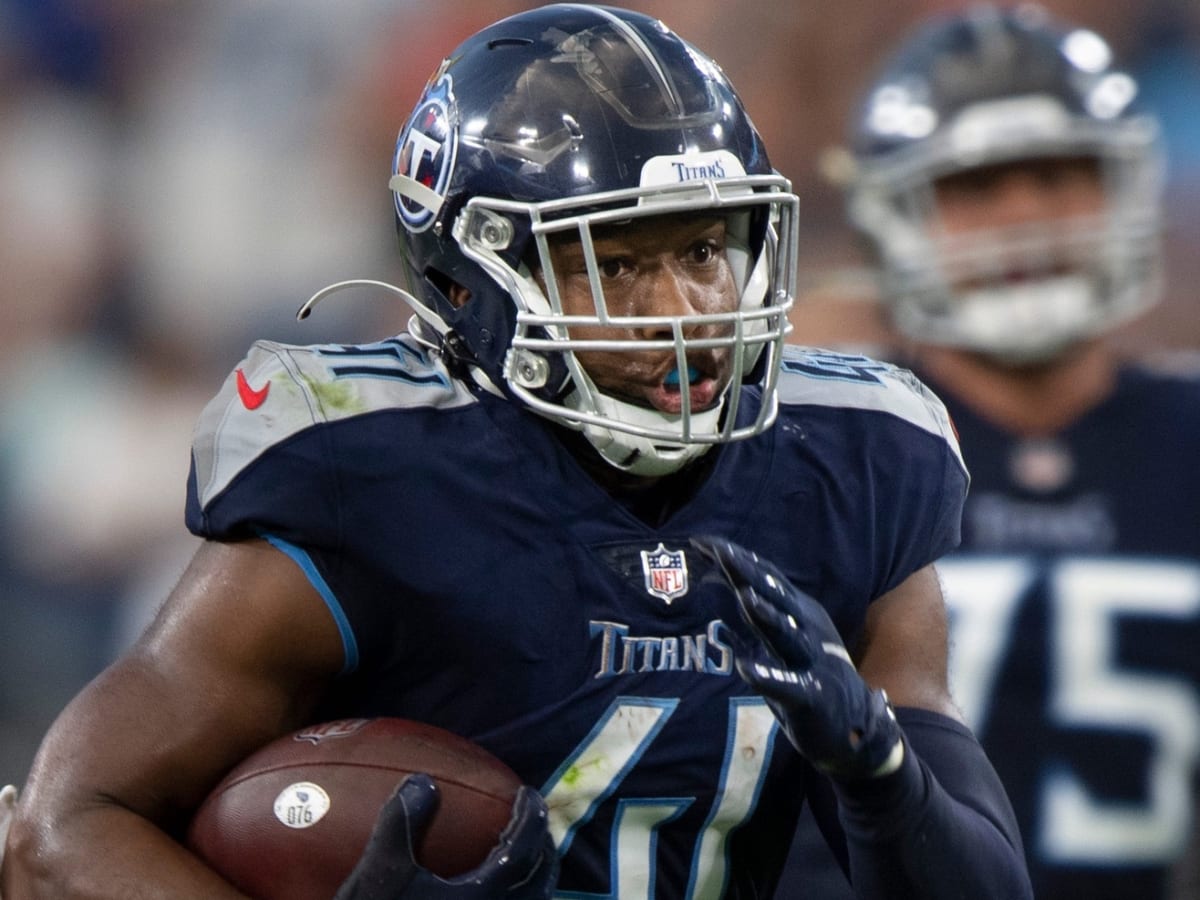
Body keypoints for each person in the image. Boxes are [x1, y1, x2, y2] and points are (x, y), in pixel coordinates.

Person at [0, 5, 1032, 898]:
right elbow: (63, 833)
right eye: (614, 266)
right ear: (466, 285)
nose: (684, 313)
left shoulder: (849, 464)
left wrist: (881, 774)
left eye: (707, 249)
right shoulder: (373, 477)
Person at [781, 5, 1200, 900]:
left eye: (1058, 174)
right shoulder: (818, 441)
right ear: (896, 214)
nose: (1025, 217)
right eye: (975, 186)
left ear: (1126, 184)